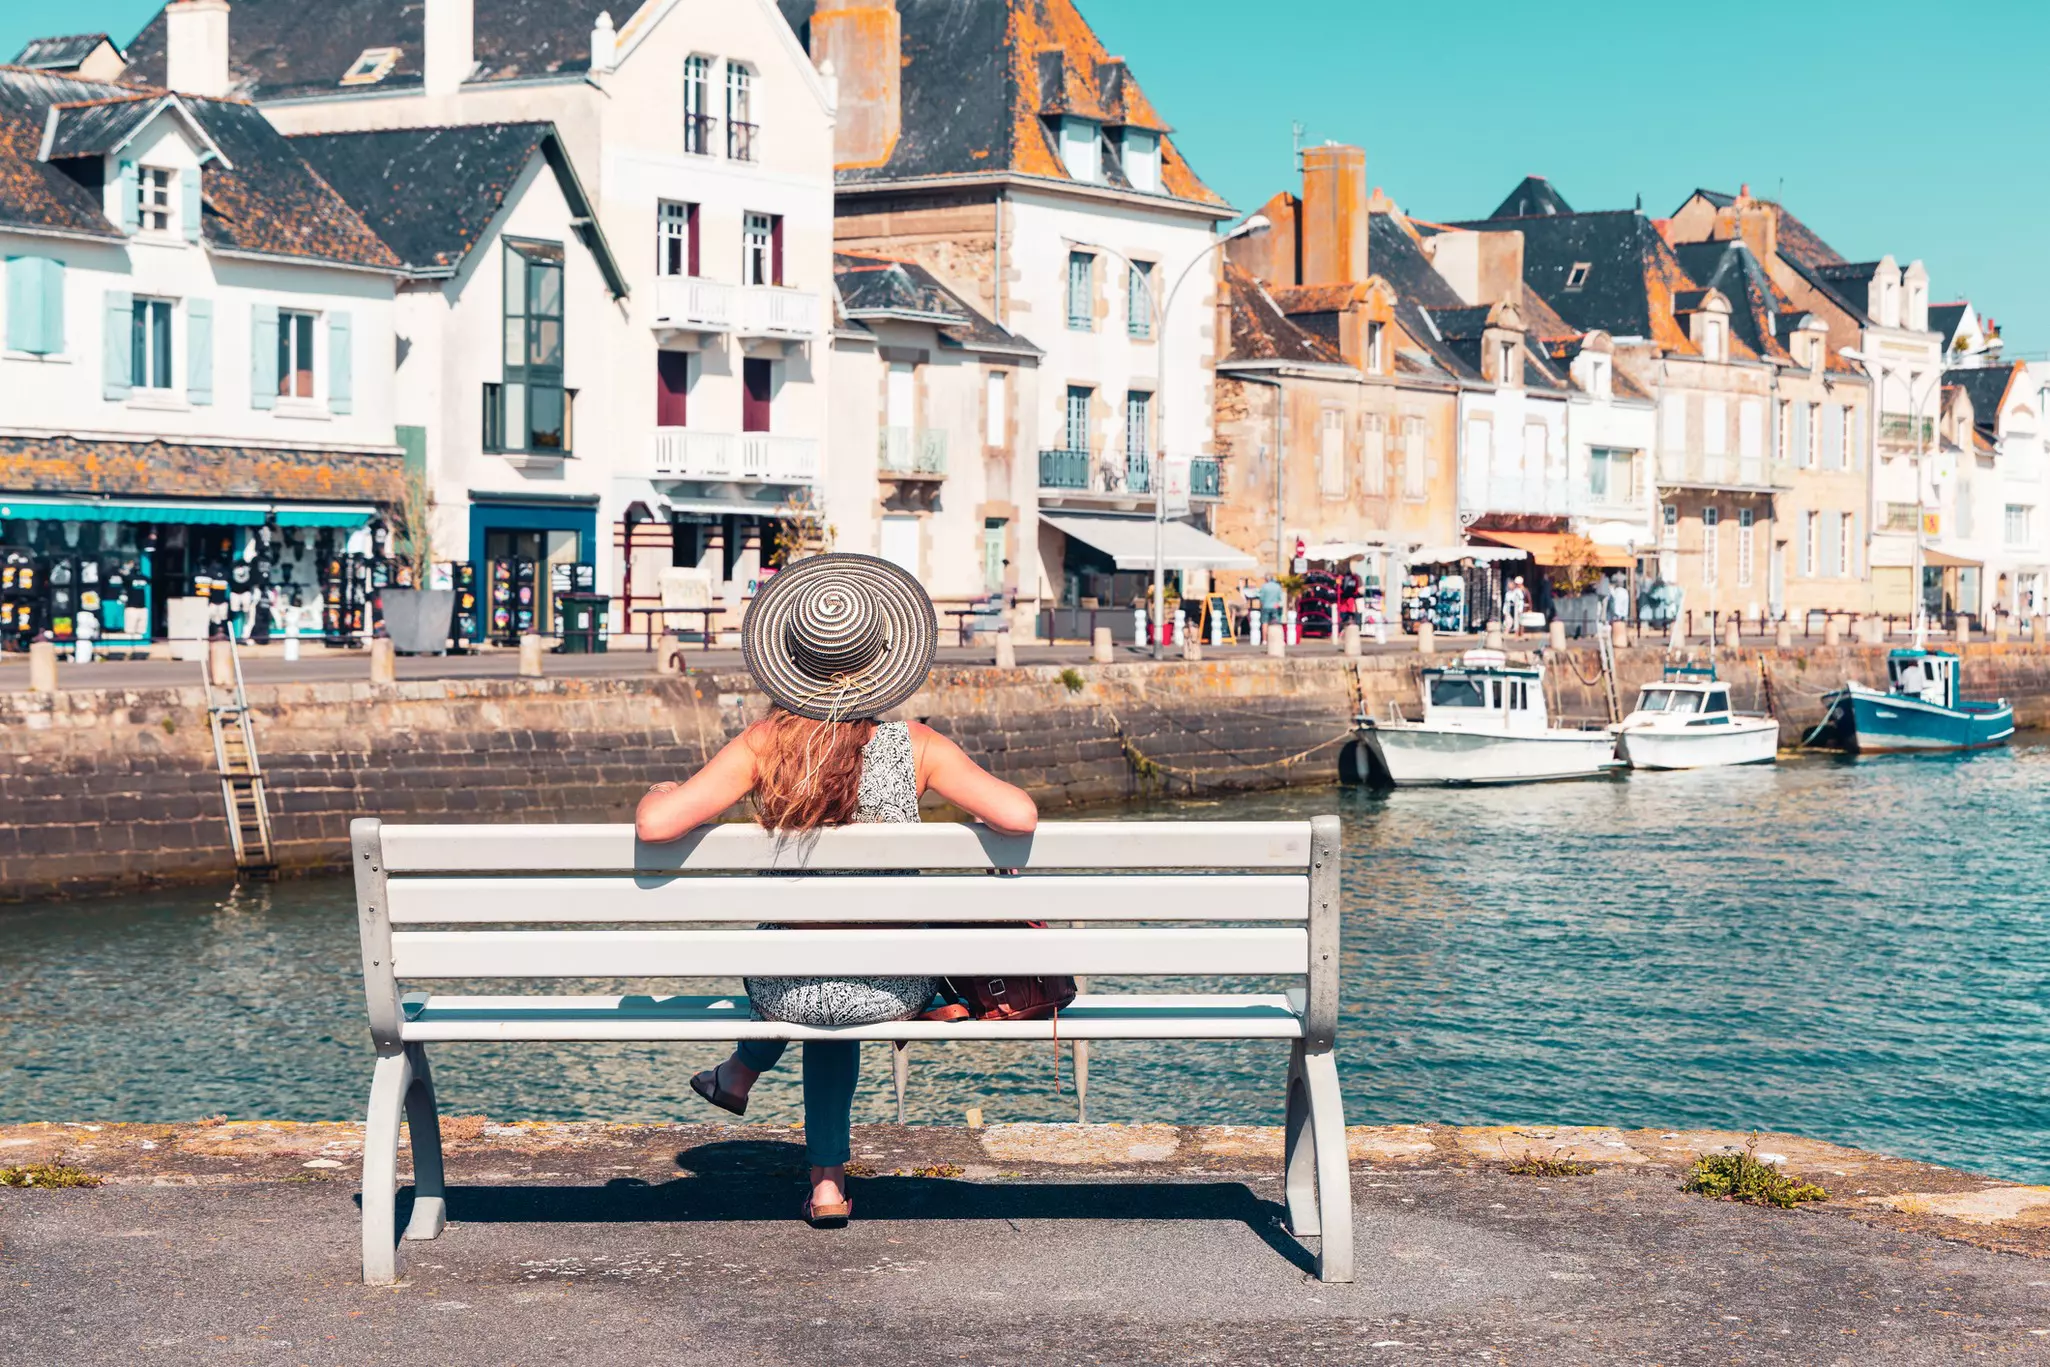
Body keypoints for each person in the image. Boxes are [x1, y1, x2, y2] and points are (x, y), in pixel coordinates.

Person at [634, 553, 1038, 1229]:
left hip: (783, 990)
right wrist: (976, 817)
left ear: (790, 659)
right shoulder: (918, 746)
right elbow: (1019, 815)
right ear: (881, 657)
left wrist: (661, 792)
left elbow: (656, 825)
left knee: (810, 971)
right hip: (892, 988)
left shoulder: (764, 743)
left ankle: (761, 1098)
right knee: (852, 973)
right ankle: (828, 1162)